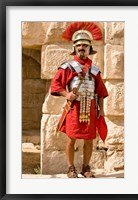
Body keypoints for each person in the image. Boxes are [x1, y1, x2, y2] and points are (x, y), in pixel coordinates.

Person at [50, 22, 108, 178]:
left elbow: (101, 92)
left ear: (89, 48)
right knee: (71, 138)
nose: (82, 47)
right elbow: (55, 86)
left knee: (89, 140)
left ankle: (86, 167)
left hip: (90, 108)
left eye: (85, 45)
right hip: (74, 108)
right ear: (74, 48)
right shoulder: (67, 67)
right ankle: (71, 168)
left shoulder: (94, 70)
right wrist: (66, 95)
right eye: (79, 45)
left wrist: (100, 109)